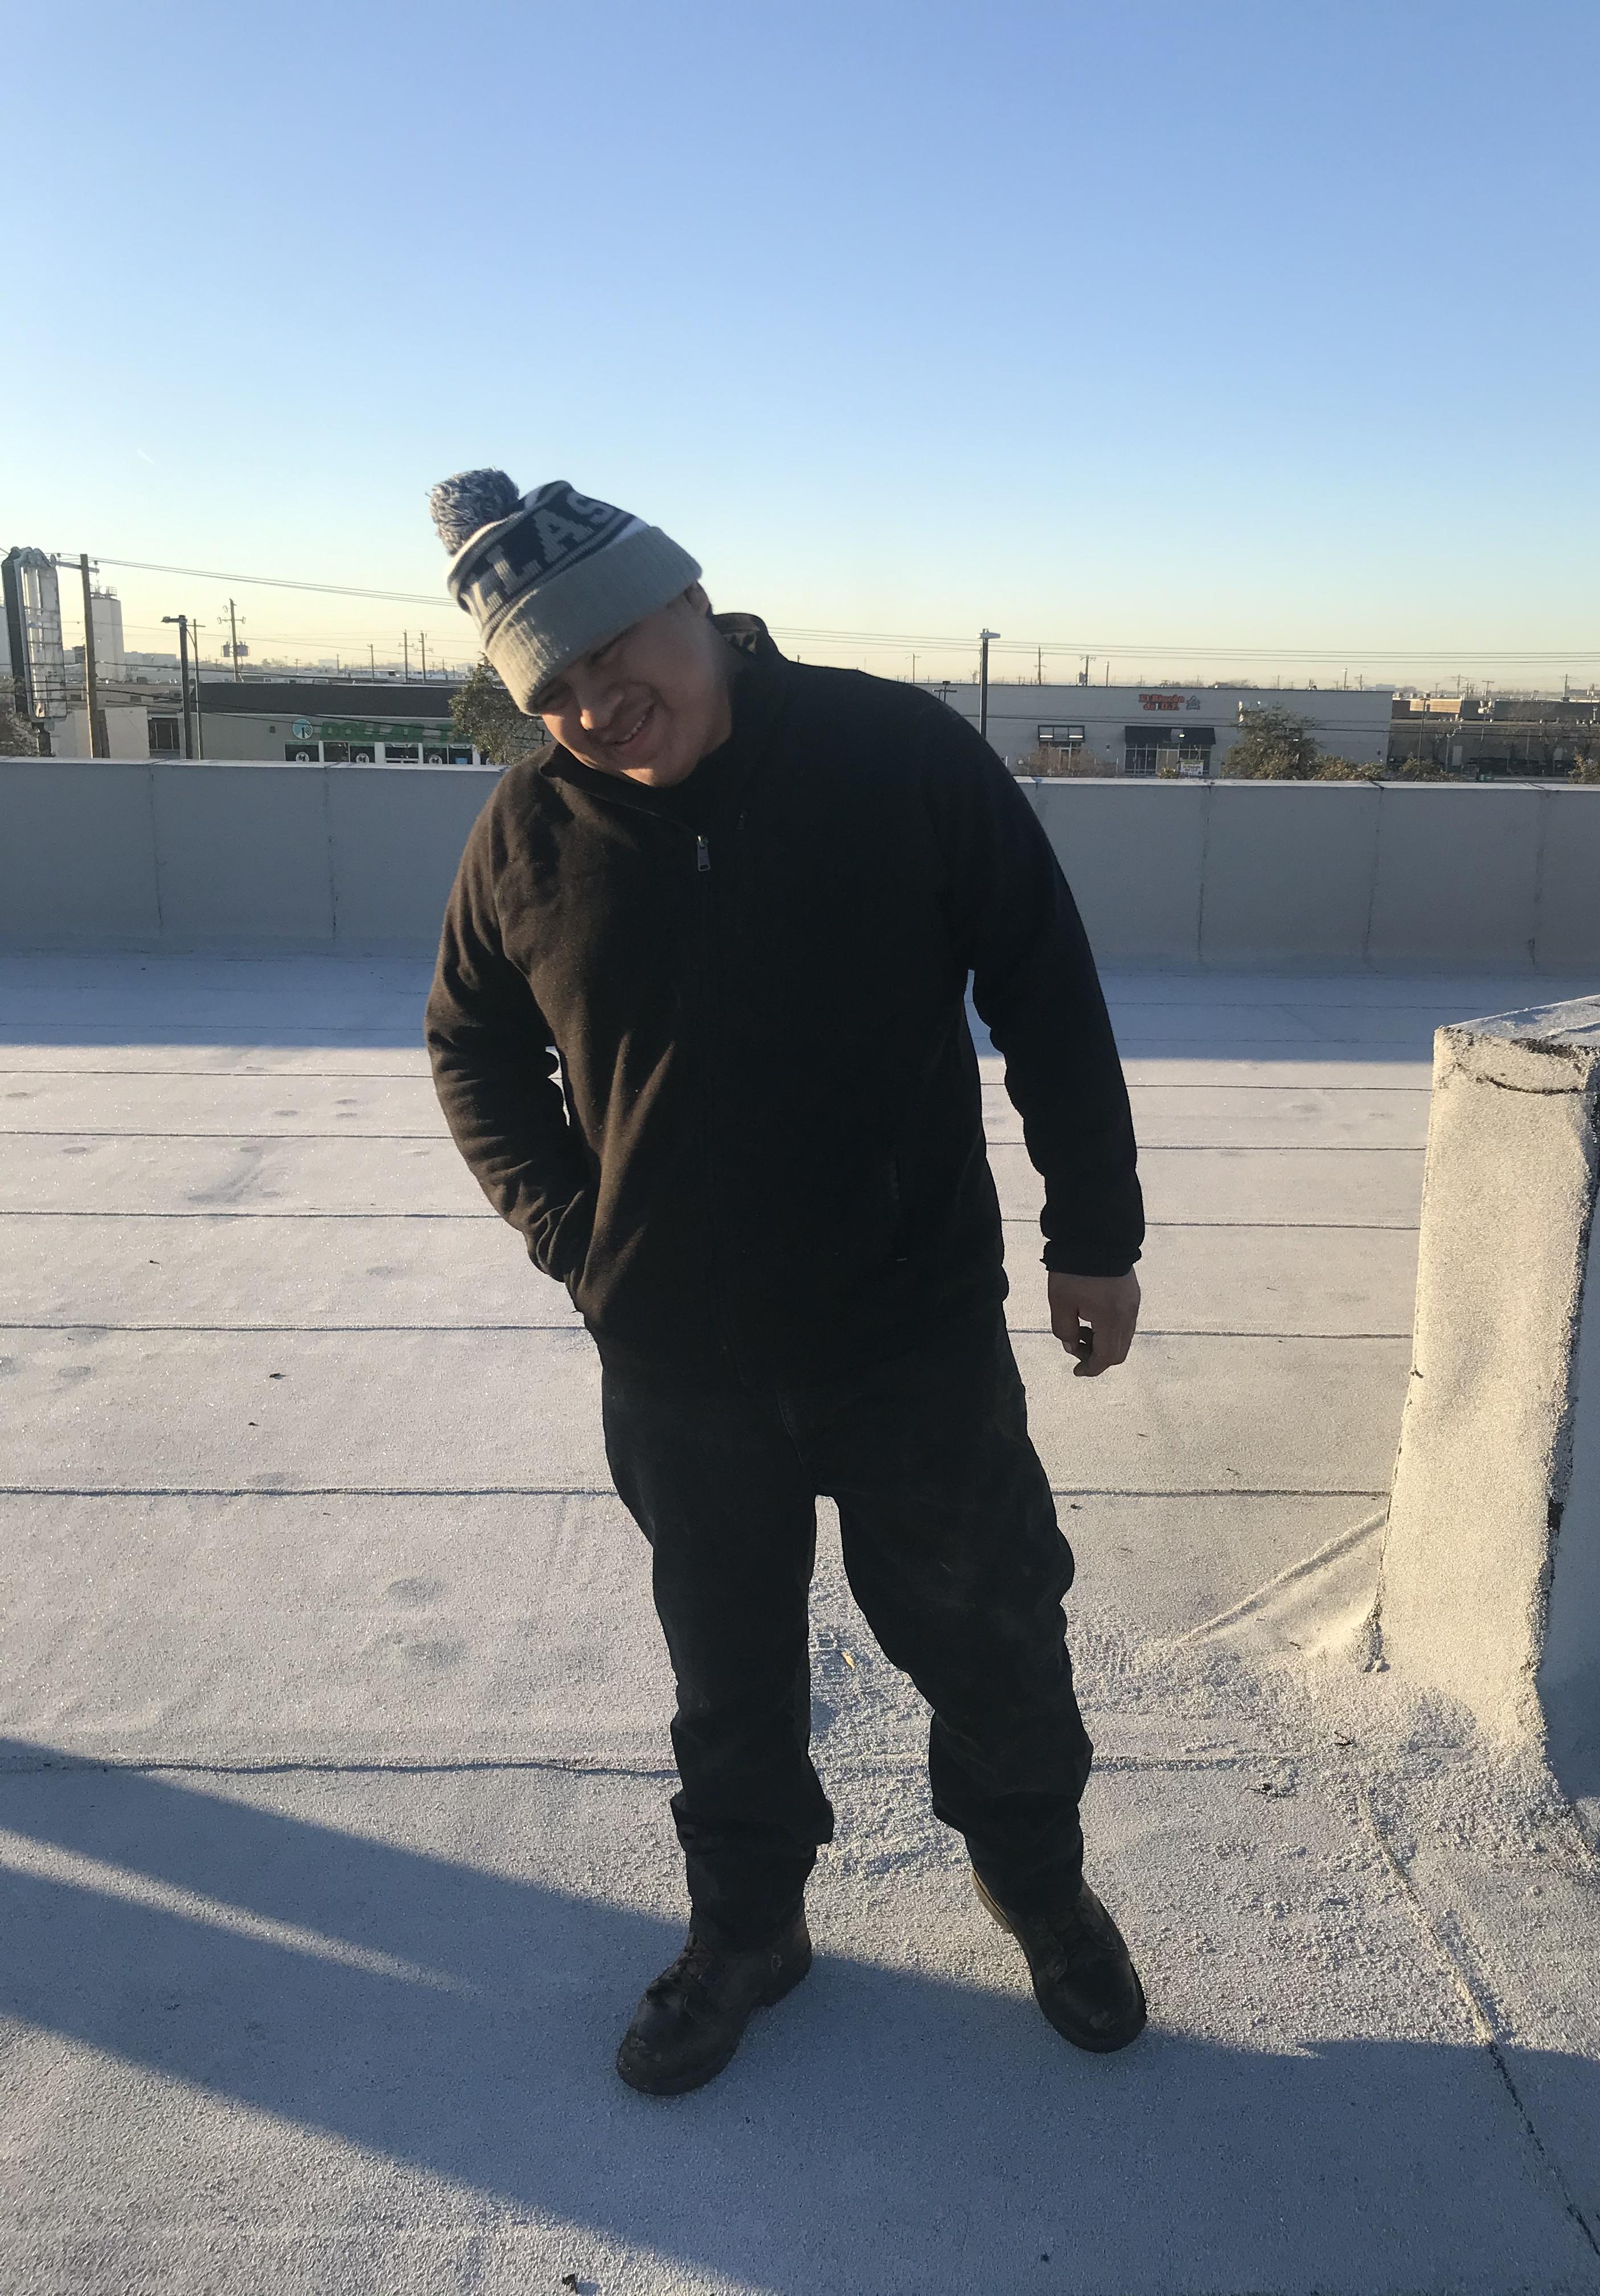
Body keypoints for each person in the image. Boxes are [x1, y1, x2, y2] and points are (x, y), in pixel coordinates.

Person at [424, 468, 1148, 2096]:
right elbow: (469, 1042)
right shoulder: (530, 830)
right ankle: (749, 1926)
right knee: (728, 1671)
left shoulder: (891, 753)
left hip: (912, 1334)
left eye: (617, 647)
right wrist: (573, 1233)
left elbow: (1044, 975)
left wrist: (1094, 1231)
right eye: (553, 686)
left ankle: (1039, 1886)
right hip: (684, 1361)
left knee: (993, 1634)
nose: (600, 702)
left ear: (691, 600)